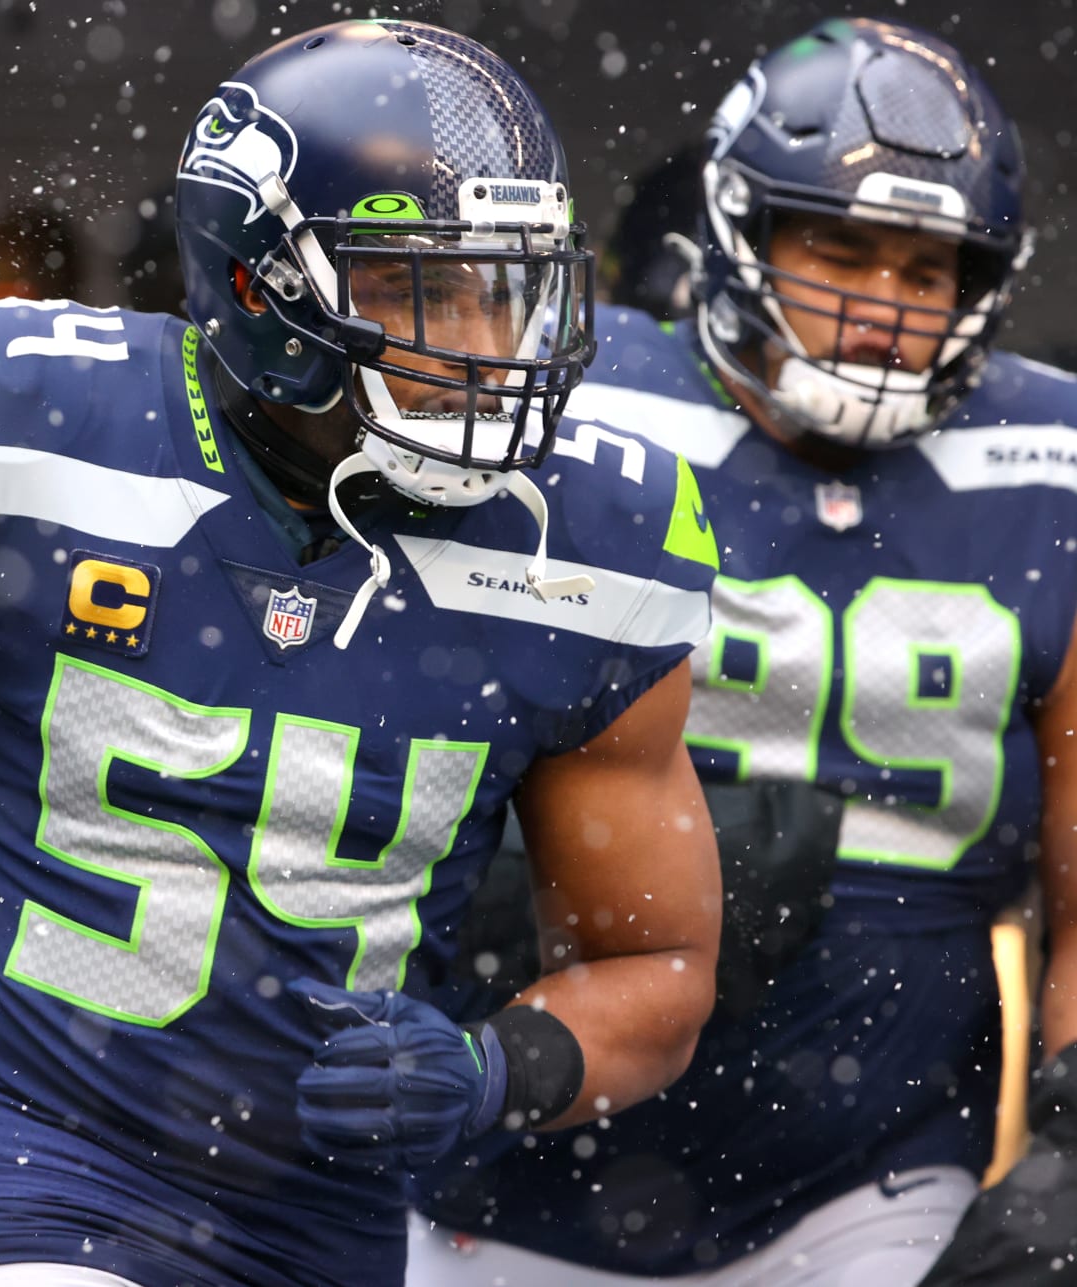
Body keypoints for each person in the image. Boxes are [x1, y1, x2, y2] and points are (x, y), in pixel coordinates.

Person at [0, 20, 725, 1287]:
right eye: (416, 288)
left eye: (502, 288)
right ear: (262, 287)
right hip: (23, 1155)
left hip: (327, 1225)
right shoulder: (36, 423)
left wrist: (498, 1069)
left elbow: (657, 963)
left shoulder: (591, 546)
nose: (480, 343)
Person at [407, 18, 1077, 1286]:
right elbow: (376, 710)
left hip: (872, 1166)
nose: (882, 309)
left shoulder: (1050, 462)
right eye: (842, 249)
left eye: (927, 269)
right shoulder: (569, 405)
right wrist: (514, 878)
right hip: (511, 1146)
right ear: (738, 226)